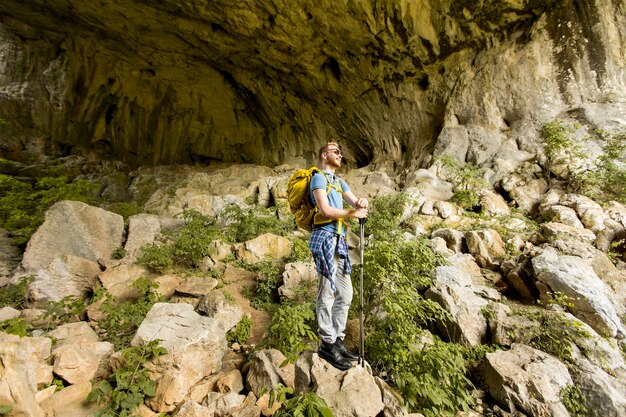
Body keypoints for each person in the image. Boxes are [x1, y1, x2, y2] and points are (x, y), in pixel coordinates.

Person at [308, 141, 369, 370]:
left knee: (346, 294)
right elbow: (325, 210)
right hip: (324, 238)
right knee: (327, 292)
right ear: (324, 155)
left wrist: (361, 203)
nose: (340, 155)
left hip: (339, 241)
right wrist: (352, 213)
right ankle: (327, 344)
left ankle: (337, 340)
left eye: (340, 152)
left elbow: (356, 203)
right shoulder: (319, 178)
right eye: (336, 152)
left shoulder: (339, 181)